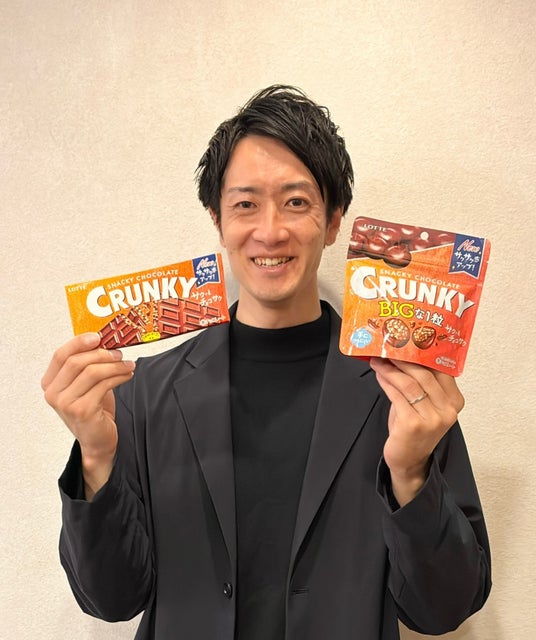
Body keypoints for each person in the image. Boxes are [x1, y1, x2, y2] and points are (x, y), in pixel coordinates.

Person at [42, 85, 491, 640]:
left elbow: (443, 610)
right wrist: (95, 458)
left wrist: (412, 474)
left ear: (333, 221)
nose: (271, 231)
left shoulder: (405, 392)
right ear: (218, 221)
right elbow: (112, 600)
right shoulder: (142, 394)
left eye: (297, 202)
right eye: (245, 204)